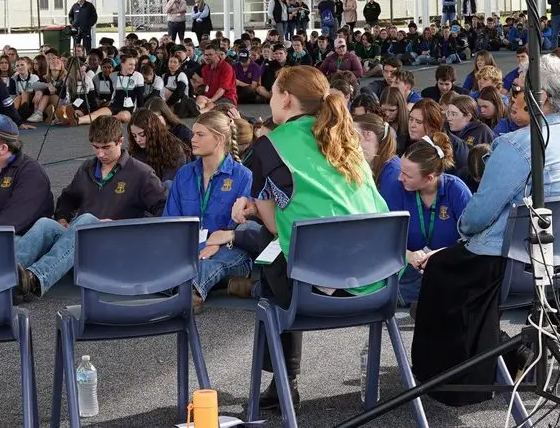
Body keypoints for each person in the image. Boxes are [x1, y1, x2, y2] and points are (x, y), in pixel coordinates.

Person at [410, 55, 560, 404]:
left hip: (514, 265)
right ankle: (501, 359)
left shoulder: (518, 145)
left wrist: (463, 231)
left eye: (518, 89)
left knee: (442, 269)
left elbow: (477, 215)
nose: (515, 94)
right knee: (457, 265)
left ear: (539, 98)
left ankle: (450, 381)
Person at [232, 66, 388, 406]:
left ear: (286, 99)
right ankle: (282, 384)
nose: (269, 99)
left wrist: (254, 207)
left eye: (272, 93)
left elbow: (275, 224)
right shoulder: (348, 141)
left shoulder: (270, 146)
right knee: (278, 252)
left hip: (318, 284)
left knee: (267, 246)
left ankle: (284, 380)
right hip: (376, 281)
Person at [14, 116, 166, 299]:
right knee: (45, 224)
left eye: (106, 147)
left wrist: (122, 224)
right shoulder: (87, 168)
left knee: (87, 220)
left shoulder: (141, 173)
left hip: (116, 243)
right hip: (82, 240)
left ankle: (35, 278)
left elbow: (164, 210)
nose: (100, 154)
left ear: (120, 141)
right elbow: (68, 198)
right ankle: (6, 275)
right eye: (96, 147)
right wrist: (62, 218)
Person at [165, 109, 254, 307]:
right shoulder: (184, 174)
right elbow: (170, 221)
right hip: (190, 249)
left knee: (212, 263)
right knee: (158, 258)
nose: (192, 139)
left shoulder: (243, 176)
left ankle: (189, 290)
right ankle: (200, 284)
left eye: (200, 134)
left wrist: (215, 244)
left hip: (228, 250)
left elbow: (242, 227)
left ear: (220, 139)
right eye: (194, 133)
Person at [383, 134, 473, 306]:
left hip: (449, 265)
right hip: (410, 268)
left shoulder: (456, 190)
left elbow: (473, 240)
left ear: (430, 178)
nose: (400, 178)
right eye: (401, 171)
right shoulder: (397, 189)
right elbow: (385, 237)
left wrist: (442, 254)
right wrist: (408, 255)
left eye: (407, 175)